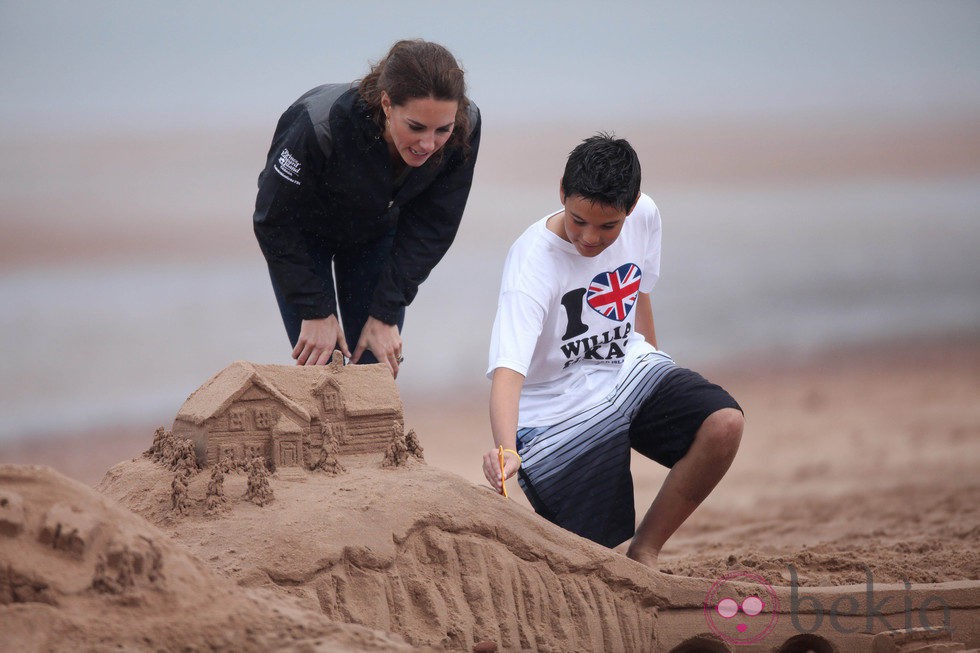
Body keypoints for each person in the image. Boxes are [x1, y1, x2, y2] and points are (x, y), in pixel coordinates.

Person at [482, 134, 743, 567]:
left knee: (724, 425)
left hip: (627, 369)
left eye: (608, 226)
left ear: (632, 205)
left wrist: (656, 370)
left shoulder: (646, 216)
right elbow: (509, 370)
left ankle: (647, 550)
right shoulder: (532, 264)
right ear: (562, 193)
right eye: (578, 220)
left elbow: (638, 290)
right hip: (554, 407)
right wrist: (506, 450)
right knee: (595, 554)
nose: (590, 238)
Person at [253, 39, 481, 376]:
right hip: (302, 237)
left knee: (374, 372)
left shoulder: (465, 126)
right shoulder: (318, 125)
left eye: (441, 130)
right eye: (415, 127)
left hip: (374, 236)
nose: (429, 144)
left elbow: (434, 225)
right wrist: (313, 309)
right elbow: (273, 220)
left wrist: (387, 311)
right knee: (325, 370)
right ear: (387, 104)